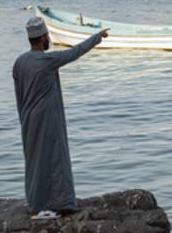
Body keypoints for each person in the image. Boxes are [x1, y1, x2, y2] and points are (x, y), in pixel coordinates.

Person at [12, 17, 108, 220]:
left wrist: (23, 119)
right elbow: (75, 52)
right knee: (55, 157)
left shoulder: (20, 62)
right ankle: (61, 202)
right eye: (47, 36)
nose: (48, 39)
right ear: (42, 38)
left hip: (28, 118)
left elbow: (19, 93)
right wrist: (97, 37)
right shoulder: (47, 60)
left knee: (35, 161)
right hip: (47, 118)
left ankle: (35, 203)